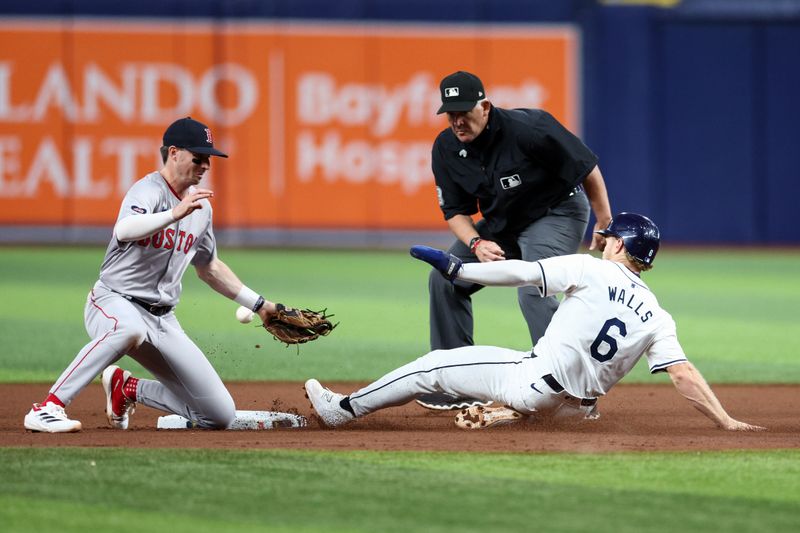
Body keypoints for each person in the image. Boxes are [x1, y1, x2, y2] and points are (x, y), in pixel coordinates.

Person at [304, 213, 764, 432]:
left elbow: (524, 271)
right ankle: (510, 414)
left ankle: (342, 409)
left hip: (534, 381)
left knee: (437, 365)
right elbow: (682, 374)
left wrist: (460, 270)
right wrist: (725, 421)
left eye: (607, 239)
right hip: (577, 410)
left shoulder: (591, 269)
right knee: (551, 399)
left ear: (620, 246)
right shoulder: (658, 315)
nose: (600, 242)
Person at [24, 117, 289, 432]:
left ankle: (128, 388)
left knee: (218, 415)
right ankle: (49, 407)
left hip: (163, 319)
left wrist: (260, 305)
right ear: (174, 152)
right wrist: (173, 214)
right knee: (128, 330)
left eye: (208, 159)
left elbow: (210, 268)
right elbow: (124, 229)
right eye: (198, 157)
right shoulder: (148, 190)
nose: (205, 164)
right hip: (114, 300)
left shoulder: (201, 209)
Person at [418, 70, 613, 410]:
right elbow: (455, 211)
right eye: (451, 113)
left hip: (556, 211)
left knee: (533, 288)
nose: (457, 121)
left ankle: (570, 389)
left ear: (486, 107)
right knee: (444, 277)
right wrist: (477, 243)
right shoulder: (446, 148)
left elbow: (587, 169)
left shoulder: (529, 128)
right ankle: (454, 380)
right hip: (503, 221)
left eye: (464, 112)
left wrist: (605, 220)